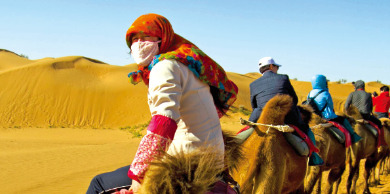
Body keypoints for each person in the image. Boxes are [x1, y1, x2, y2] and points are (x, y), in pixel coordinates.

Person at [87, 13, 238, 194]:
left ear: (162, 38)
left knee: (98, 184)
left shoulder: (164, 67)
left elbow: (164, 121)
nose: (139, 44)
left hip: (186, 163)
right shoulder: (188, 66)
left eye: (146, 37)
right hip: (213, 159)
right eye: (134, 40)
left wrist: (139, 174)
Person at [248, 57, 323, 166]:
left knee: (244, 133)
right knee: (305, 129)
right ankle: (314, 157)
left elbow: (253, 105)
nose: (277, 69)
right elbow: (294, 99)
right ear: (270, 66)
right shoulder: (283, 78)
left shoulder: (253, 84)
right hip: (285, 116)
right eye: (276, 66)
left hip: (261, 116)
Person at [307, 75, 362, 144]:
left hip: (315, 117)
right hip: (327, 117)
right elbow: (330, 106)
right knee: (344, 120)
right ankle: (353, 137)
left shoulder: (310, 93)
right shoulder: (325, 93)